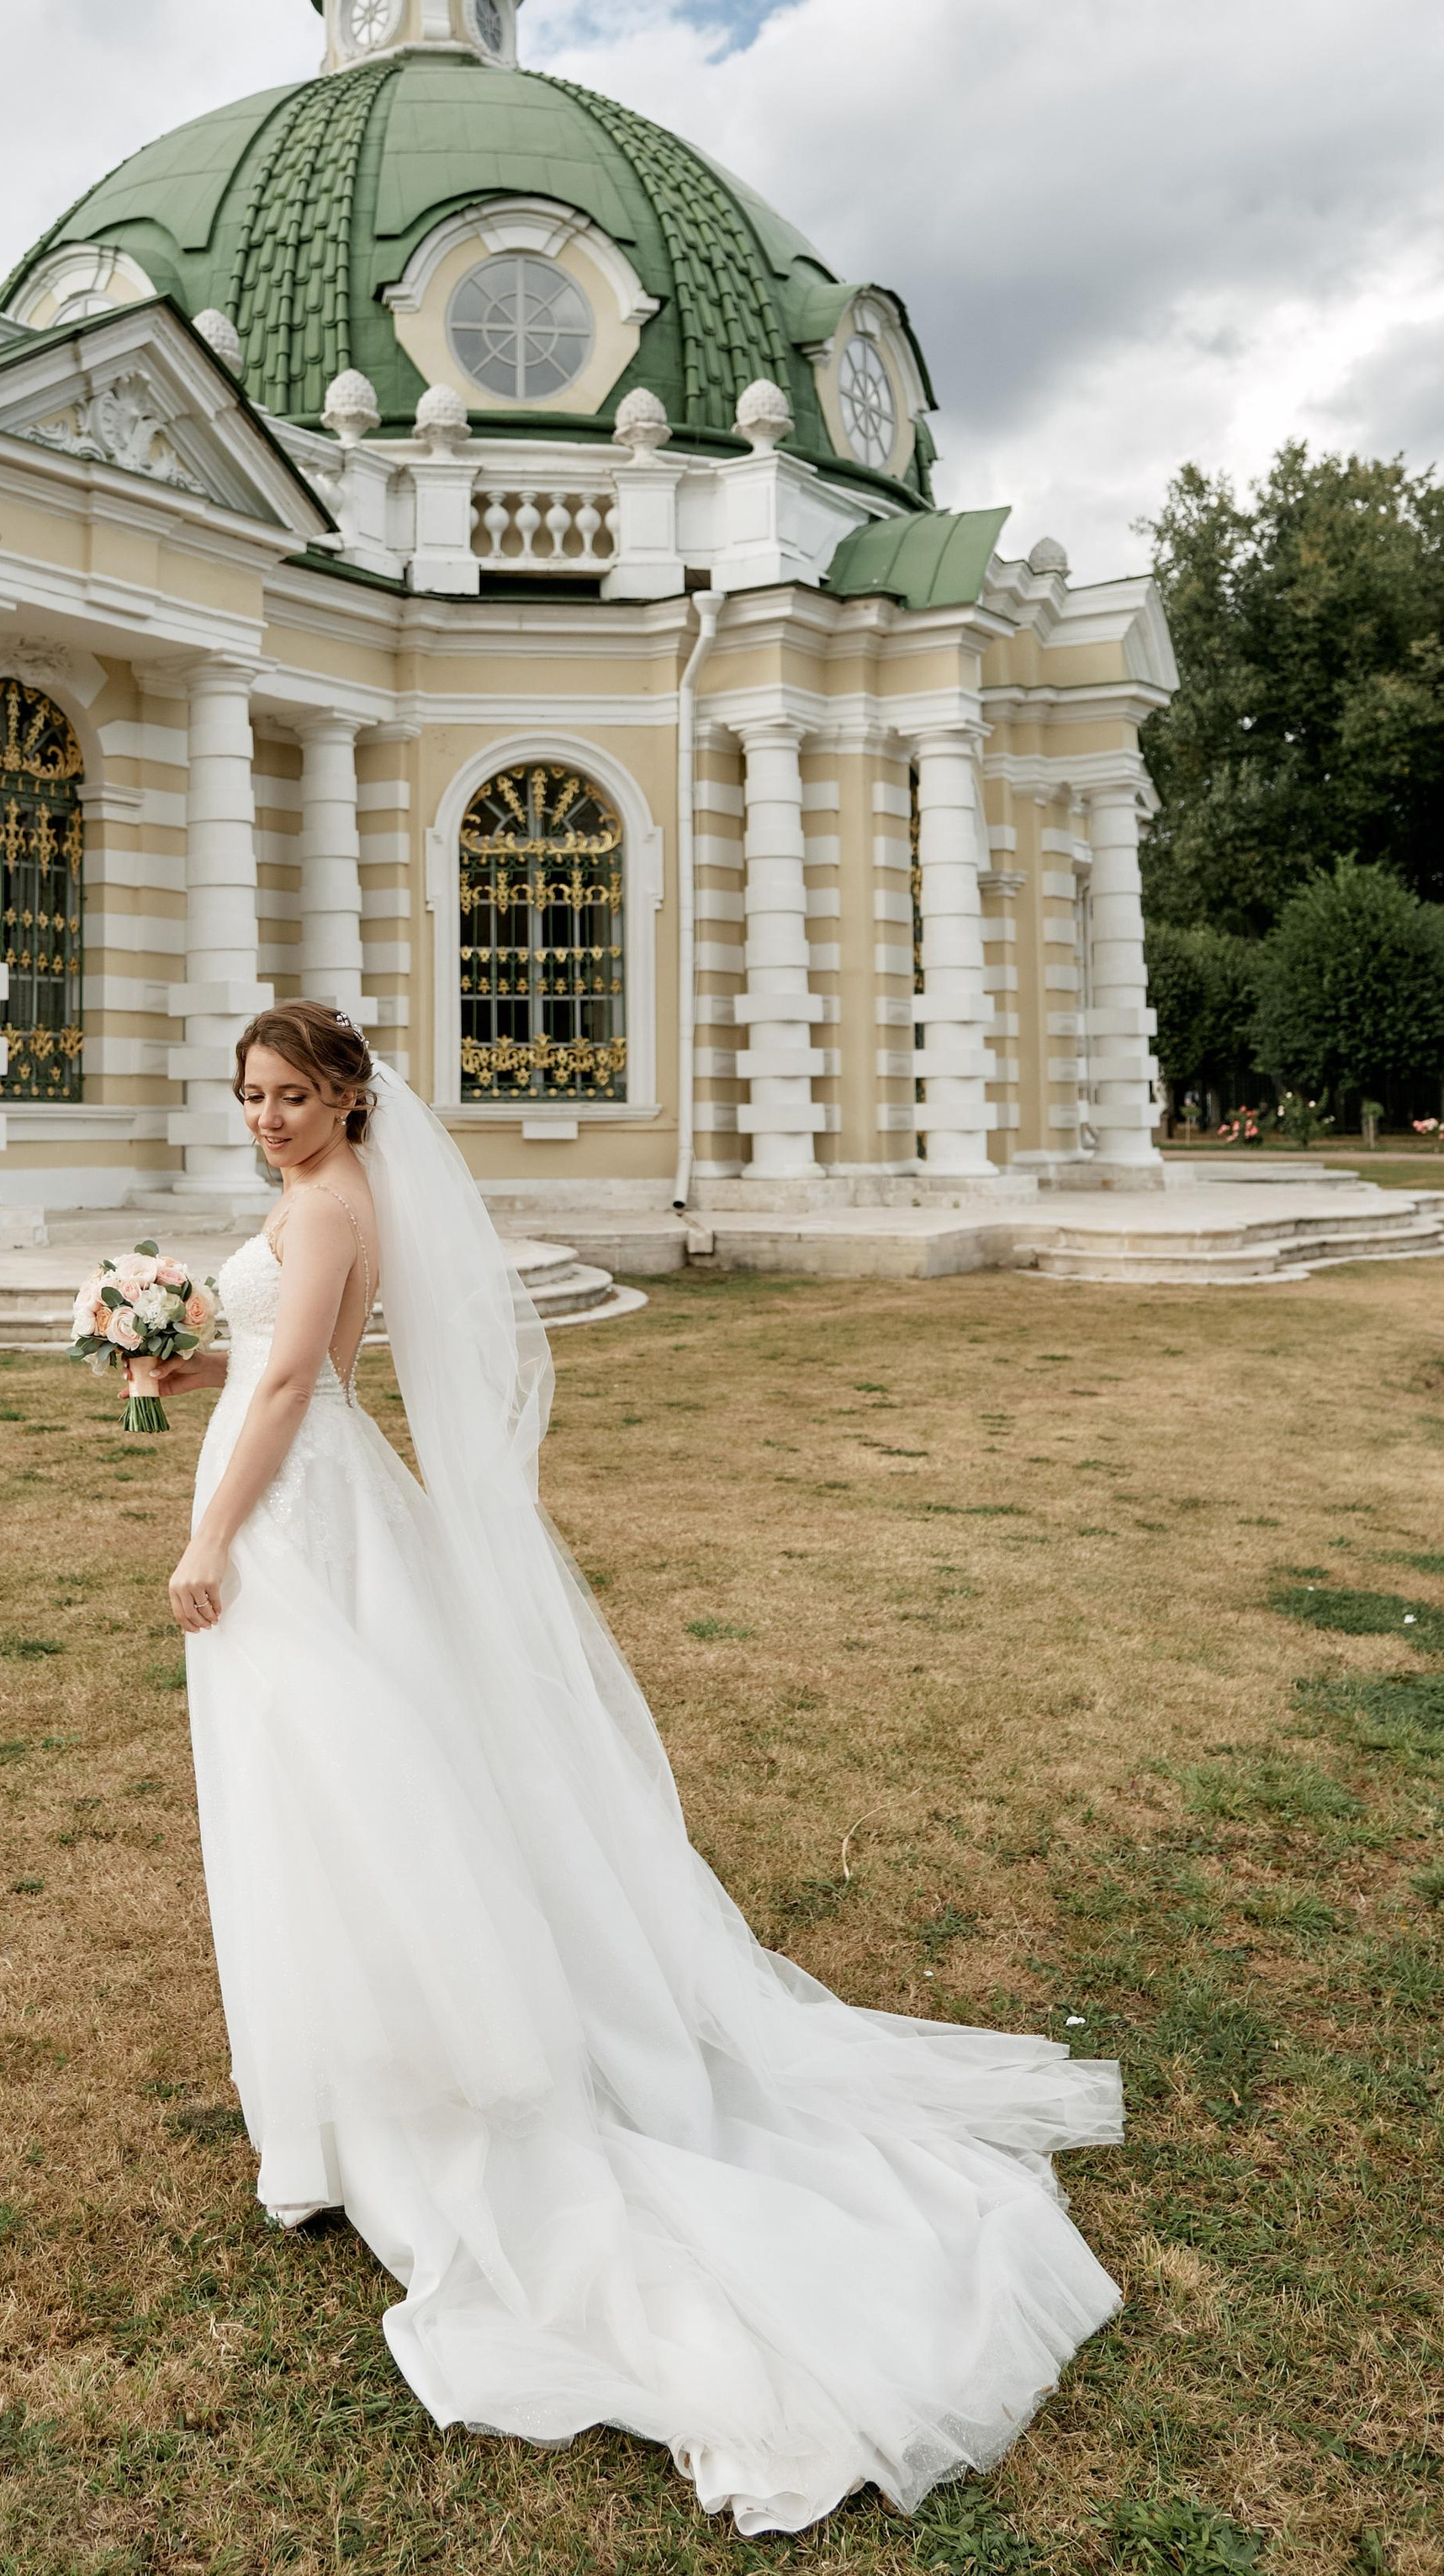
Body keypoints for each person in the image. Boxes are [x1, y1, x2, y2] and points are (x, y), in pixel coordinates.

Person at [143, 1001, 1121, 2539]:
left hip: (293, 1518)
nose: (266, 1118)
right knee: (312, 1791)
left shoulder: (336, 1198)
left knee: (334, 1790)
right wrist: (172, 1370)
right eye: (251, 1097)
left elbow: (293, 1393)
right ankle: (332, 2101)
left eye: (290, 1096)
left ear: (346, 1099)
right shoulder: (319, 1192)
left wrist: (209, 1537)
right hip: (296, 1479)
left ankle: (392, 2091)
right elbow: (293, 1368)